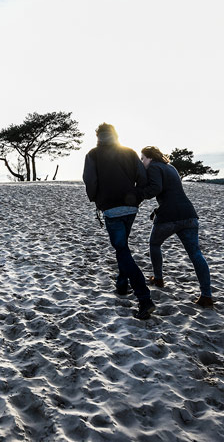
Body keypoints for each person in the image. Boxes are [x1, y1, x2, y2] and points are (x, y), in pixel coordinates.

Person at [82, 123, 155, 319]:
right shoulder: (129, 152)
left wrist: (97, 199)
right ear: (115, 135)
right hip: (131, 208)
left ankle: (144, 299)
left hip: (111, 209)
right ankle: (122, 285)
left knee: (122, 250)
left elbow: (90, 181)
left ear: (98, 136)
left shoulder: (93, 154)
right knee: (123, 248)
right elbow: (143, 178)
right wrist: (136, 196)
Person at [139, 146, 214, 308]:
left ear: (150, 158)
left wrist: (138, 193)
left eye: (143, 158)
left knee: (154, 244)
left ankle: (158, 279)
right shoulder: (171, 167)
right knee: (196, 253)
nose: (142, 162)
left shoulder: (153, 167)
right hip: (189, 214)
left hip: (169, 216)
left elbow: (155, 189)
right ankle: (206, 295)